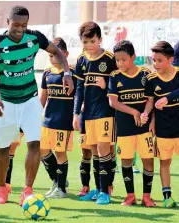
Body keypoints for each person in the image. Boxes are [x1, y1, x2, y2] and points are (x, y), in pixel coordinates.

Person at [0, 5, 74, 205]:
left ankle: (27, 190)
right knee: (3, 147)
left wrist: (67, 73)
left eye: (24, 25)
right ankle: (1, 189)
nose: (20, 29)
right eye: (16, 24)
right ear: (7, 22)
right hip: (6, 102)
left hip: (30, 101)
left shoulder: (35, 38)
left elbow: (58, 52)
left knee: (34, 144)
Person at [73, 21, 117, 205]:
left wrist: (107, 85)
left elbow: (119, 83)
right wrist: (76, 113)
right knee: (94, 151)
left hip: (105, 112)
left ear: (100, 39)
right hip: (88, 114)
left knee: (103, 148)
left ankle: (105, 191)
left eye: (92, 41)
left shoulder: (109, 58)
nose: (89, 46)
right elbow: (78, 89)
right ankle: (99, 189)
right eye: (85, 42)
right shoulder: (81, 60)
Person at [108, 40, 156, 207]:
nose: (120, 63)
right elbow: (113, 103)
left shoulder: (145, 74)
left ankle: (147, 197)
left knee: (148, 160)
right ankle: (130, 196)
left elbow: (151, 100)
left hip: (144, 127)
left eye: (123, 59)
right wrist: (134, 112)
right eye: (117, 60)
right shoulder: (115, 76)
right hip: (124, 128)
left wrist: (145, 114)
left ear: (133, 57)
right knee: (126, 160)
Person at [40, 37, 77, 199]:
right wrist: (35, 116)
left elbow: (78, 97)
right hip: (48, 120)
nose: (53, 58)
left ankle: (61, 189)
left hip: (64, 121)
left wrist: (77, 116)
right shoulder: (47, 73)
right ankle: (57, 180)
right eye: (50, 55)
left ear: (65, 54)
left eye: (55, 55)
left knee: (60, 152)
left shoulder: (72, 74)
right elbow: (43, 98)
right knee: (42, 150)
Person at [143, 41, 179, 208]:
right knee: (165, 162)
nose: (155, 64)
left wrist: (167, 98)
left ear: (170, 60)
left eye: (159, 60)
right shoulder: (150, 79)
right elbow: (150, 102)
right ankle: (167, 197)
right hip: (163, 129)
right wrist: (149, 116)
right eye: (153, 60)